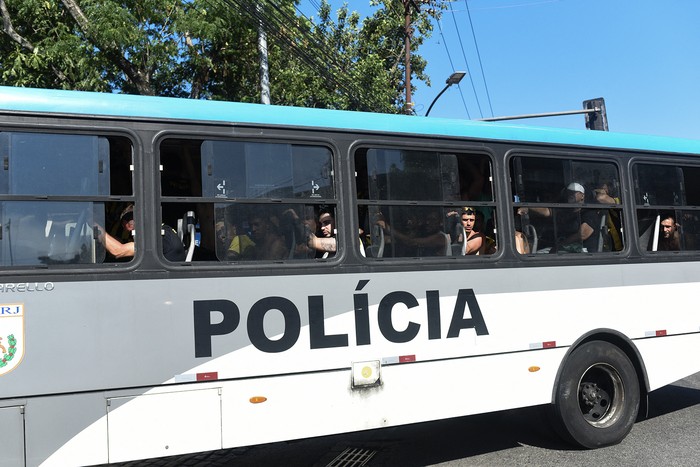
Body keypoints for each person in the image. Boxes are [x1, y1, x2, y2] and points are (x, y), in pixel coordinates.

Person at [100, 204, 186, 261]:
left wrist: (96, 229)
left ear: (128, 224)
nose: (127, 231)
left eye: (124, 226)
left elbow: (118, 251)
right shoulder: (163, 231)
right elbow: (123, 243)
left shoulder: (158, 236)